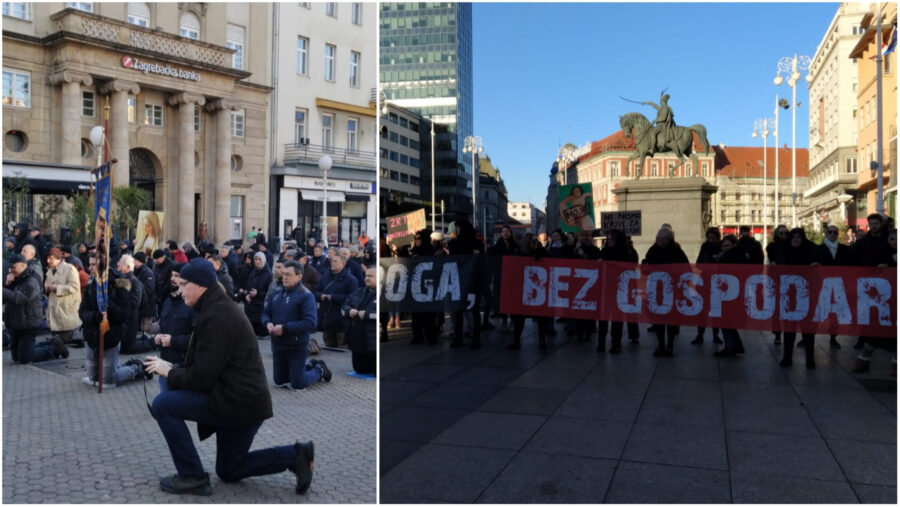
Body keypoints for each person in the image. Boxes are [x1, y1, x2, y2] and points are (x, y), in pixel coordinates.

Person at [142, 258, 315, 496]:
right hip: (237, 400)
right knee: (229, 470)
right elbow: (206, 365)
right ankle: (295, 456)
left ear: (200, 285)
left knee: (163, 405)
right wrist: (172, 367)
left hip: (238, 403)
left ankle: (192, 477)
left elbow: (202, 378)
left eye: (183, 285)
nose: (179, 290)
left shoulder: (218, 316)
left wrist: (170, 372)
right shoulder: (215, 309)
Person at [79, 254, 152, 386]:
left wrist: (109, 306)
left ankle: (138, 368)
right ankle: (119, 366)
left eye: (94, 264)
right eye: (89, 264)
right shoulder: (92, 283)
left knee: (108, 380)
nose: (90, 268)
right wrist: (96, 316)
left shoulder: (120, 283)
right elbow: (82, 312)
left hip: (110, 336)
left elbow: (124, 313)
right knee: (93, 377)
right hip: (92, 336)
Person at [262, 260, 330, 390]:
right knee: (279, 381)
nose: (284, 277)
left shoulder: (306, 296)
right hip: (278, 344)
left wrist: (285, 328)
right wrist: (267, 323)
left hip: (296, 345)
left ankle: (319, 369)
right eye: (284, 274)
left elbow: (310, 322)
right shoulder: (276, 293)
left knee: (298, 384)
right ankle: (303, 369)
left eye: (288, 274)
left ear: (299, 277)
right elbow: (266, 313)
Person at [4, 254, 69, 363]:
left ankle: (53, 349)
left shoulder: (32, 279)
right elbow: (6, 298)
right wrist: (7, 285)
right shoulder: (14, 278)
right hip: (15, 324)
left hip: (28, 324)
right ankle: (50, 343)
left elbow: (19, 298)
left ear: (23, 265)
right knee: (16, 358)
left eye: (13, 267)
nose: (11, 270)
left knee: (24, 359)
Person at [644, 226, 689, 357]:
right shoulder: (653, 249)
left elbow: (686, 269)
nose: (658, 240)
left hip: (671, 290)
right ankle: (661, 344)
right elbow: (647, 264)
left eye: (661, 238)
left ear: (668, 239)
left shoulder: (676, 251)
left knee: (671, 319)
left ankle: (670, 344)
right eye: (657, 238)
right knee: (658, 319)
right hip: (657, 290)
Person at [777, 228, 817, 368]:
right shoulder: (784, 250)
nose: (796, 239)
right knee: (789, 328)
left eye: (799, 237)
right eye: (793, 236)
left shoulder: (811, 249)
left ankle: (810, 359)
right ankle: (787, 357)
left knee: (808, 329)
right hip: (789, 295)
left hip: (806, 295)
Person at [812, 224, 853, 349]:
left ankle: (833, 337)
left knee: (835, 313)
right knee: (817, 311)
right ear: (826, 233)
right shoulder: (818, 249)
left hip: (839, 286)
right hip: (822, 285)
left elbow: (850, 266)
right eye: (830, 232)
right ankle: (809, 337)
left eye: (835, 232)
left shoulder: (845, 249)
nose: (832, 234)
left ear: (838, 234)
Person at [154, 263, 193, 392]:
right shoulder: (168, 301)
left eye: (176, 276)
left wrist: (172, 341)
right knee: (164, 398)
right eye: (172, 275)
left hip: (182, 365)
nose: (172, 278)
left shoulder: (191, 305)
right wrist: (158, 337)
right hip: (164, 361)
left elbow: (196, 339)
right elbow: (163, 326)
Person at [597, 229, 637, 353]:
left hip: (620, 289)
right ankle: (601, 342)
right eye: (608, 239)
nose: (609, 241)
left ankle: (616, 343)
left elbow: (632, 265)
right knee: (603, 317)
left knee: (617, 317)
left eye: (611, 239)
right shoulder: (605, 251)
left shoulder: (627, 252)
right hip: (606, 287)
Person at [712, 235, 748, 357]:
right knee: (727, 320)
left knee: (726, 319)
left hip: (729, 291)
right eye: (723, 245)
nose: (724, 248)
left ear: (734, 245)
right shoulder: (735, 255)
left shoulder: (731, 256)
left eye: (727, 245)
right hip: (729, 290)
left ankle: (731, 346)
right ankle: (735, 344)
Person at [316, 255, 359, 348]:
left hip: (342, 321)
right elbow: (316, 292)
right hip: (327, 319)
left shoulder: (351, 280)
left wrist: (333, 297)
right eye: (332, 261)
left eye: (335, 261)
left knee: (342, 348)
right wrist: (320, 296)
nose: (332, 263)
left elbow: (353, 298)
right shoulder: (325, 277)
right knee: (328, 348)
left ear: (343, 263)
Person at [44, 247, 82, 345]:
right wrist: (47, 288)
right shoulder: (50, 270)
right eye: (47, 258)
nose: (48, 261)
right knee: (56, 341)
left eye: (51, 258)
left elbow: (74, 287)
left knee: (64, 339)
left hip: (65, 309)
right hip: (53, 308)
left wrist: (57, 288)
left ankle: (74, 340)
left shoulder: (70, 269)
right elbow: (47, 283)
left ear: (58, 258)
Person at [342, 266, 377, 375]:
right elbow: (343, 307)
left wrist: (367, 315)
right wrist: (349, 311)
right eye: (366, 276)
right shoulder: (358, 292)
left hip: (372, 340)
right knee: (360, 370)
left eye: (370, 276)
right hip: (357, 338)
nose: (367, 278)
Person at [692, 227, 722, 345]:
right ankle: (700, 334)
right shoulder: (705, 247)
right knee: (702, 310)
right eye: (709, 238)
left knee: (715, 309)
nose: (710, 240)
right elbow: (698, 263)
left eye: (713, 238)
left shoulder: (721, 247)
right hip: (705, 280)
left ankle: (715, 334)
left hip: (717, 281)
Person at [244, 252, 273, 338]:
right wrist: (247, 294)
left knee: (261, 332)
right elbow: (248, 286)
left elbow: (270, 292)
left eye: (259, 259)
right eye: (256, 259)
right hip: (251, 305)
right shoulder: (253, 273)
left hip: (261, 306)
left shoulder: (269, 274)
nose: (257, 261)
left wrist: (258, 294)